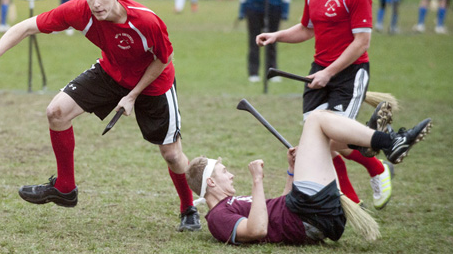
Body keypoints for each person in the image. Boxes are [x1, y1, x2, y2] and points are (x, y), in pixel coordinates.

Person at [0, 0, 201, 232]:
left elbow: (163, 59)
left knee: (171, 154)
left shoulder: (146, 21)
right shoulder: (80, 11)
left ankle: (188, 207)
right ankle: (65, 188)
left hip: (153, 83)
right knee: (57, 112)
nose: (96, 3)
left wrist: (133, 95)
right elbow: (26, 27)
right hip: (111, 72)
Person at [256, 0, 392, 210]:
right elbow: (306, 29)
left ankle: (376, 168)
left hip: (349, 72)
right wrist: (276, 35)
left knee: (330, 141)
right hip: (317, 71)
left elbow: (362, 42)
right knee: (318, 142)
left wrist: (329, 72)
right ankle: (353, 200)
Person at [185, 108, 432, 245]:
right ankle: (388, 142)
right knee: (315, 120)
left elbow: (276, 211)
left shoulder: (231, 203)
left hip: (303, 210)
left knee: (326, 138)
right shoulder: (217, 218)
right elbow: (258, 229)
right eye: (224, 171)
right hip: (306, 215)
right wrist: (257, 180)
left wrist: (292, 171)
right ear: (211, 182)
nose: (232, 174)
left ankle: (366, 143)